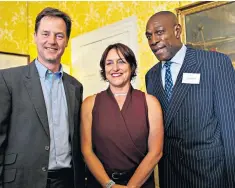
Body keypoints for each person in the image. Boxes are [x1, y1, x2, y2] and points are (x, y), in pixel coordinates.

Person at [145, 11, 235, 188]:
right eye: (149, 36)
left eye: (160, 32)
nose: (153, 40)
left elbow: (230, 128)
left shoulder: (215, 63)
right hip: (170, 176)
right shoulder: (151, 76)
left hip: (210, 175)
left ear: (177, 31)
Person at [0, 7, 85, 188]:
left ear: (67, 41)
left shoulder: (75, 86)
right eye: (45, 34)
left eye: (59, 35)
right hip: (21, 181)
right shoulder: (8, 80)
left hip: (67, 181)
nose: (52, 41)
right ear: (35, 36)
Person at [81, 43, 163, 188]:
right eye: (109, 63)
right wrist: (109, 185)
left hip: (140, 184)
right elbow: (87, 151)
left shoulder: (151, 103)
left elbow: (155, 152)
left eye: (121, 62)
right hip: (101, 184)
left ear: (131, 67)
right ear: (104, 69)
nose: (115, 68)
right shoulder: (89, 103)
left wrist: (131, 187)